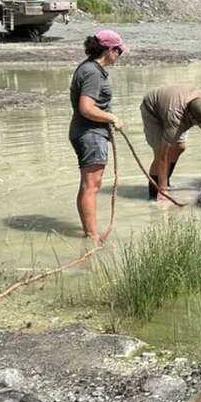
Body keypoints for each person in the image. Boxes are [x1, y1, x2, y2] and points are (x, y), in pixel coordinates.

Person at [69, 29, 126, 243]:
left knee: (88, 185)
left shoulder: (89, 68)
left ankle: (88, 232)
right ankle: (93, 237)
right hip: (89, 134)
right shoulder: (92, 72)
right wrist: (111, 117)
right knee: (91, 186)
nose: (120, 55)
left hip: (87, 132)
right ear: (110, 50)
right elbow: (86, 107)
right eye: (119, 51)